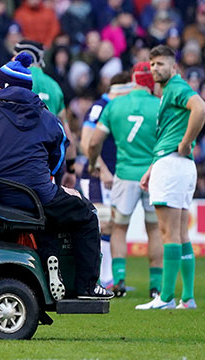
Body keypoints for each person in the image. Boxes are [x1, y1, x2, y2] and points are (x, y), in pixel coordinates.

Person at [0, 53, 113, 300]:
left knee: (34, 217)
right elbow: (58, 157)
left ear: (1, 85)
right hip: (37, 195)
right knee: (85, 214)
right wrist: (52, 181)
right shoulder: (48, 117)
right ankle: (87, 286)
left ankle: (47, 258)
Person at [137, 45, 205, 310]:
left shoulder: (176, 87)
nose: (155, 68)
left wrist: (187, 142)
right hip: (177, 165)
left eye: (161, 64)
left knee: (167, 232)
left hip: (173, 163)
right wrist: (152, 168)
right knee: (179, 233)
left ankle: (165, 298)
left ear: (174, 67)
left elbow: (200, 107)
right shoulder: (169, 91)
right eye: (152, 64)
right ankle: (187, 298)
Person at [87, 62, 162, 298]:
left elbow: (93, 141)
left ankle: (118, 281)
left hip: (125, 174)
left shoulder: (115, 105)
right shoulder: (160, 105)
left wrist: (92, 162)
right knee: (155, 229)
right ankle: (156, 286)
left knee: (119, 227)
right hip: (153, 174)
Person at [79, 71, 132, 289]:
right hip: (97, 177)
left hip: (112, 176)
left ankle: (108, 279)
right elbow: (86, 141)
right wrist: (102, 169)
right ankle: (99, 278)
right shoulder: (100, 107)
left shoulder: (115, 108)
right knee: (101, 225)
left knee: (111, 226)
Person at [14, 40, 77, 188]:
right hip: (51, 161)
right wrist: (71, 169)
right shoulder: (54, 86)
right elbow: (66, 133)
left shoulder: (15, 79)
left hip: (21, 159)